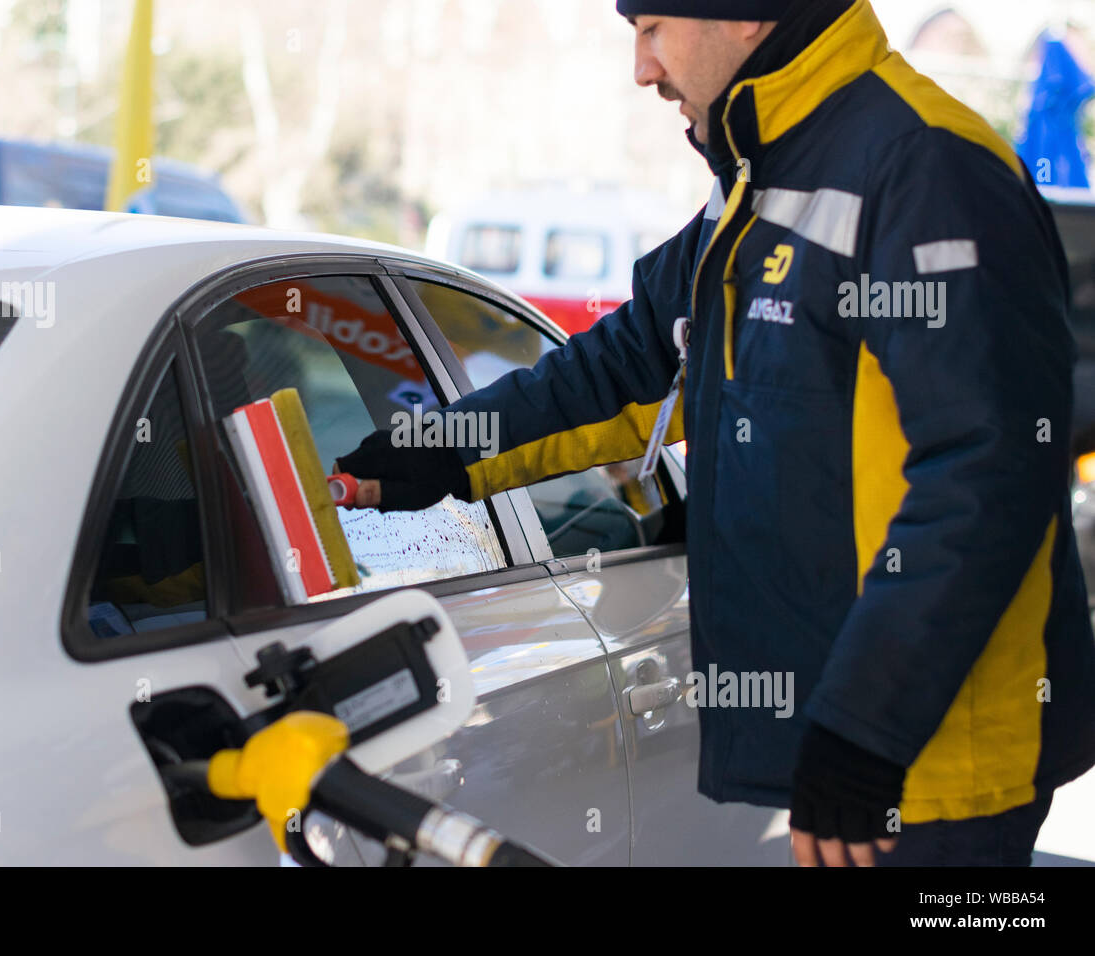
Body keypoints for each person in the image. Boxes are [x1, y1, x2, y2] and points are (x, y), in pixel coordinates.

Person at [335, 0, 1095, 867]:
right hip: (855, 749)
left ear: (744, 17)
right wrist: (431, 451)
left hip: (932, 765)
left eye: (652, 28)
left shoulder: (928, 169)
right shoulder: (759, 176)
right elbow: (628, 369)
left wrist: (864, 731)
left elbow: (990, 474)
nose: (642, 69)